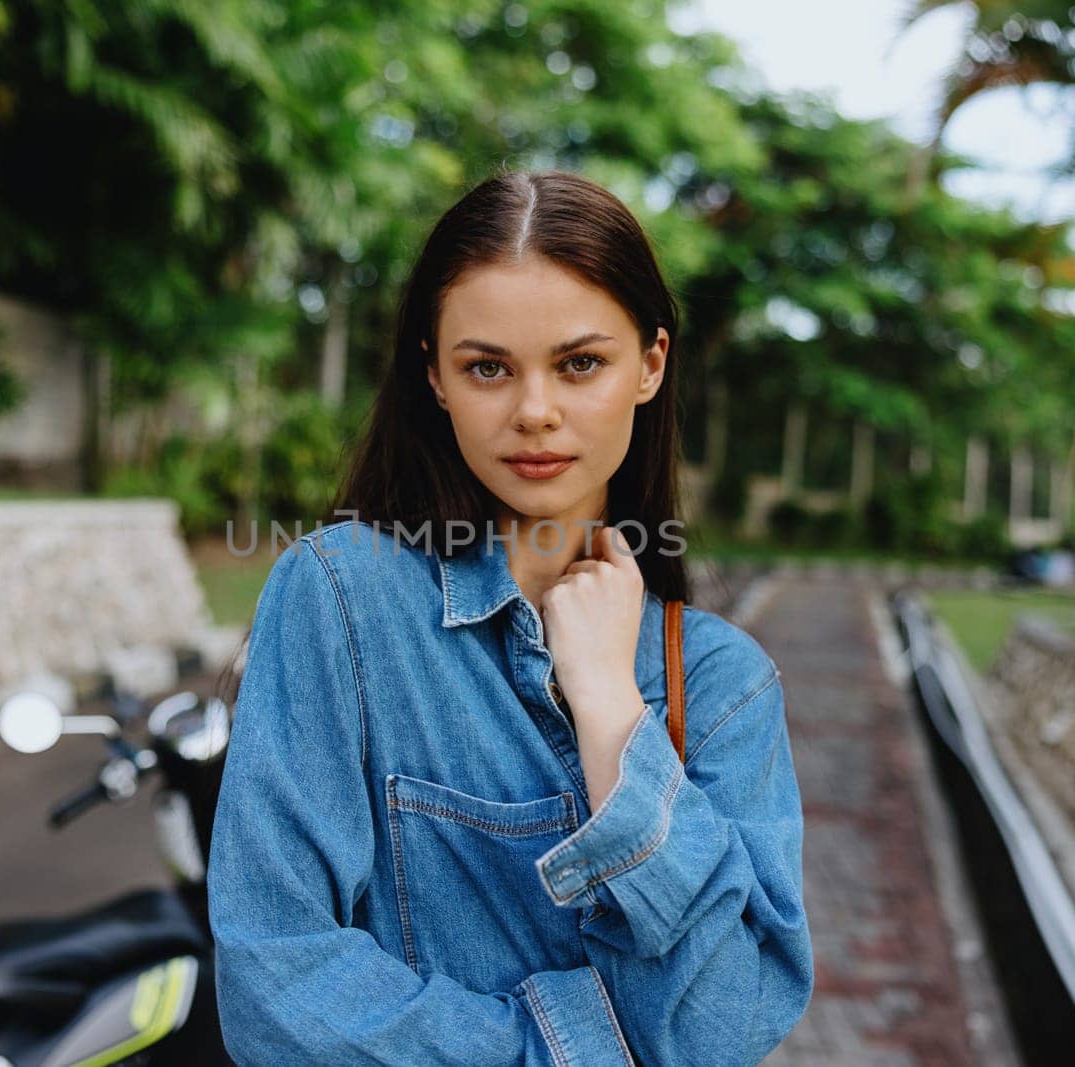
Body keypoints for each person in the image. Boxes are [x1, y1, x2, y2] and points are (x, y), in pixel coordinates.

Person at [206, 169, 813, 1065]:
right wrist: (566, 1051)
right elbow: (274, 976)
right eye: (487, 366)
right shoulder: (343, 598)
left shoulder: (721, 684)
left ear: (650, 364)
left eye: (580, 363)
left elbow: (726, 1025)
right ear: (436, 376)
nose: (535, 412)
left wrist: (610, 707)